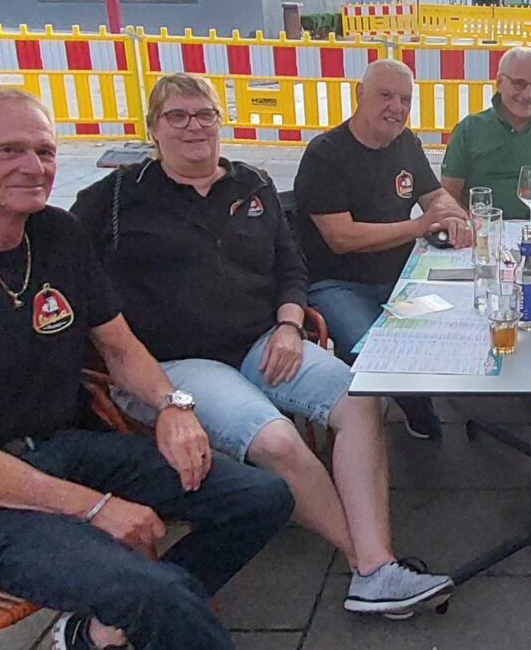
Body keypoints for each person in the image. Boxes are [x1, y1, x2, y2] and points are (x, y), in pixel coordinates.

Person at [73, 73, 453, 618]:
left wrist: (289, 325)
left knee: (361, 397)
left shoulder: (250, 184)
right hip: (176, 365)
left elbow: (291, 266)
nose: (193, 126)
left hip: (263, 341)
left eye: (204, 114)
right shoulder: (111, 199)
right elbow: (64, 273)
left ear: (219, 122)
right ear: (153, 128)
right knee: (276, 439)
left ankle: (374, 566)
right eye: (177, 116)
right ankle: (370, 566)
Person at [0, 86, 294, 650]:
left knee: (262, 496)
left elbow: (120, 348)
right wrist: (96, 508)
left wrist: (173, 406)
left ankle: (99, 630)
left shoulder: (57, 234)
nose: (33, 166)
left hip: (67, 446)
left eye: (45, 151)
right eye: (9, 150)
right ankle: (145, 611)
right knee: (157, 595)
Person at [295, 59, 470, 440]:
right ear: (360, 95)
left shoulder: (405, 142)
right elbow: (341, 238)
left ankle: (414, 390)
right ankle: (401, 401)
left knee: (463, 323)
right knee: (375, 353)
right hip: (338, 283)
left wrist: (453, 214)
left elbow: (434, 195)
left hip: (400, 276)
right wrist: (420, 226)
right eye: (386, 95)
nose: (397, 107)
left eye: (405, 99)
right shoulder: (325, 154)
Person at [441, 46, 531, 220]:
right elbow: (448, 199)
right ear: (499, 82)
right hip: (485, 232)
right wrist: (476, 226)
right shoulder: (469, 130)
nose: (527, 94)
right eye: (519, 84)